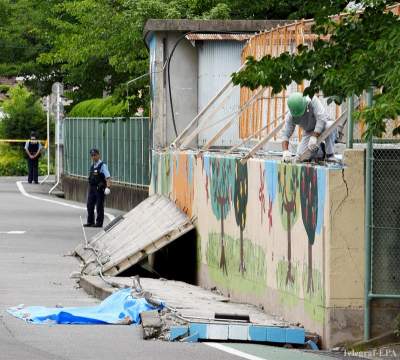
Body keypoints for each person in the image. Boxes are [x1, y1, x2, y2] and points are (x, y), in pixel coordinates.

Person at [281, 92, 337, 162]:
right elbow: (285, 134)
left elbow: (321, 118)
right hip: (309, 131)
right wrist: (285, 151)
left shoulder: (312, 100)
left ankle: (330, 155)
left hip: (323, 125)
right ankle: (321, 150)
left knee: (330, 126)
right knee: (302, 156)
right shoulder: (290, 116)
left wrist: (314, 137)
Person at [84, 148, 112, 228]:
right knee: (89, 205)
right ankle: (90, 221)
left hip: (99, 189)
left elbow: (108, 177)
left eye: (95, 155)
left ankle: (99, 223)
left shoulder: (102, 165)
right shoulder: (92, 166)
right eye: (92, 155)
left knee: (99, 206)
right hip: (92, 189)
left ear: (98, 155)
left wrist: (108, 187)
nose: (93, 157)